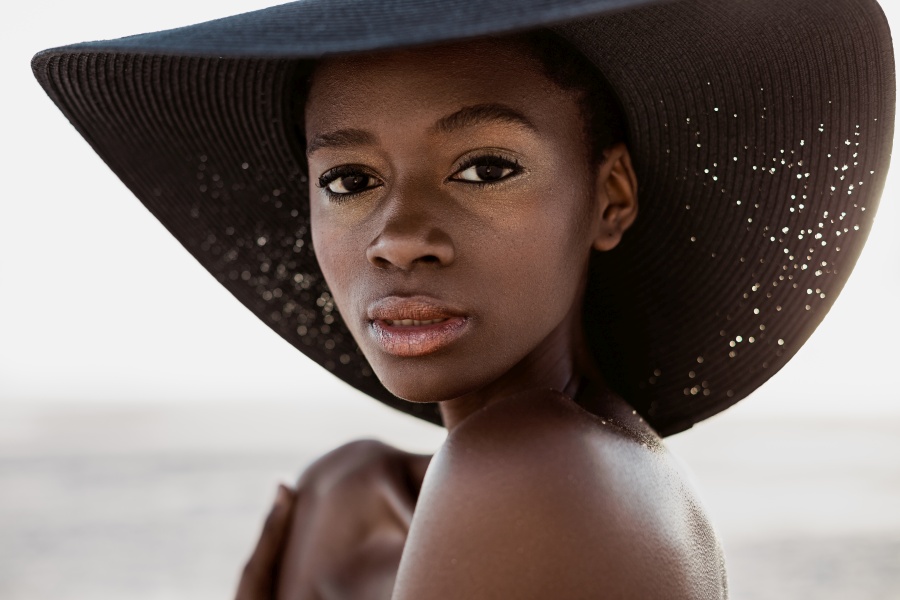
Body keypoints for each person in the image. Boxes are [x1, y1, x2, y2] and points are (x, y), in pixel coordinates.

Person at [32, 0, 894, 598]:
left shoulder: (529, 473)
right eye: (350, 178)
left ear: (612, 195)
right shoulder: (582, 466)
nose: (399, 236)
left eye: (485, 168)